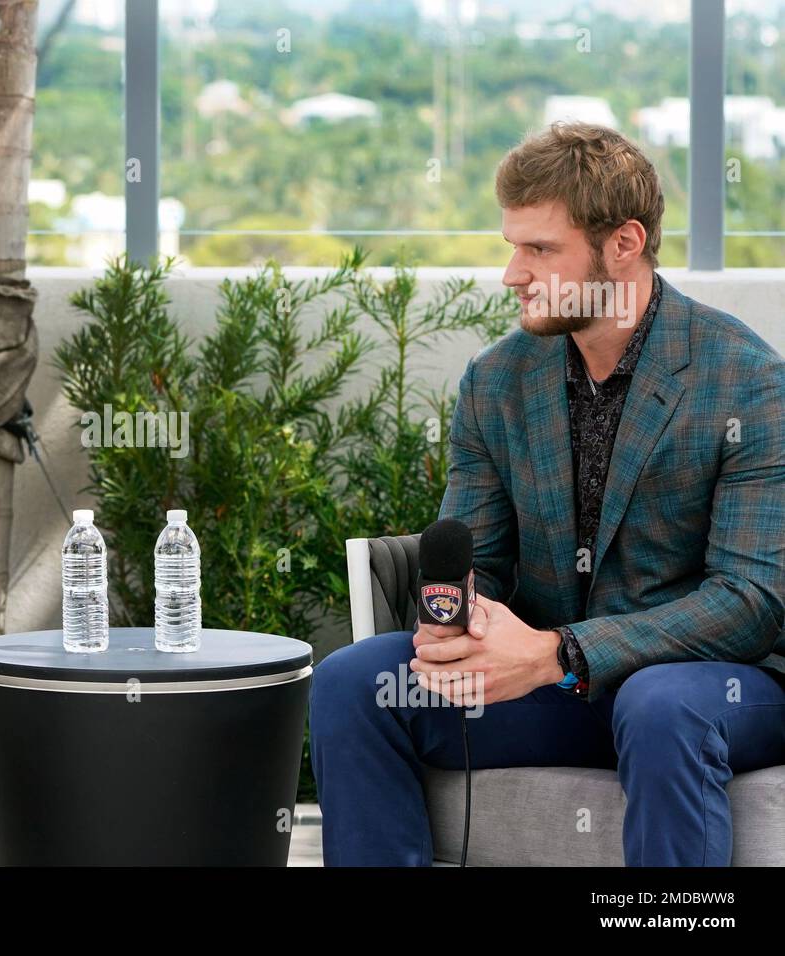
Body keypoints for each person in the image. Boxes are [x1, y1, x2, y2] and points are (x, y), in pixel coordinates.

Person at [311, 123, 785, 866]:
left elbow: (753, 601)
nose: (512, 273)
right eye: (512, 246)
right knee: (354, 680)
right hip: (551, 687)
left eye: (540, 250)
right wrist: (460, 614)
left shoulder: (745, 380)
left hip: (711, 691)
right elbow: (480, 554)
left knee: (659, 704)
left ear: (623, 244)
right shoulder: (497, 382)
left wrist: (561, 652)